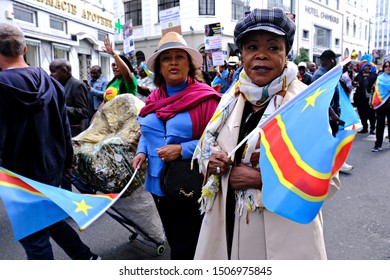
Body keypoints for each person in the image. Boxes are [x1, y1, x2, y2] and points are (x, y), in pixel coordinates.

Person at [193, 8, 340, 260]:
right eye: (251, 47)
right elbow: (206, 148)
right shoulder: (232, 97)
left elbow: (327, 180)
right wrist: (211, 160)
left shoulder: (304, 102)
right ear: (241, 55)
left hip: (283, 238)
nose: (261, 55)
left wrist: (263, 179)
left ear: (286, 54)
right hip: (228, 226)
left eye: (273, 47)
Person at [0, 23, 100, 260]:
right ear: (24, 48)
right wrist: (67, 162)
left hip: (18, 175)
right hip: (52, 167)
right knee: (50, 216)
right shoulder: (52, 82)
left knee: (34, 238)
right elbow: (64, 127)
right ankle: (86, 257)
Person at [131, 31, 221, 260]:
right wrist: (142, 151)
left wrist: (182, 150)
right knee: (174, 239)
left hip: (188, 183)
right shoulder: (153, 99)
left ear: (189, 64)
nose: (173, 62)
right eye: (166, 57)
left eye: (179, 56)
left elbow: (218, 141)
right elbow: (148, 130)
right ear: (159, 67)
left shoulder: (206, 98)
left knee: (188, 247)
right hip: (157, 184)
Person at [312, 50, 354, 172]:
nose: (335, 62)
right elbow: (319, 99)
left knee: (333, 137)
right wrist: (333, 114)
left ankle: (335, 163)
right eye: (334, 59)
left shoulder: (328, 73)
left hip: (332, 112)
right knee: (328, 139)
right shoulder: (320, 76)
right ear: (329, 60)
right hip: (326, 114)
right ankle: (331, 165)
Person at [49, 59, 89, 137]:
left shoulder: (78, 85)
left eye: (53, 71)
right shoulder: (56, 85)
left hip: (73, 132)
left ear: (64, 71)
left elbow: (84, 112)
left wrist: (61, 108)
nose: (50, 75)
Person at [102, 37, 138, 102]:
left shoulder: (129, 80)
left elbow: (126, 74)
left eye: (118, 65)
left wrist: (114, 54)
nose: (115, 67)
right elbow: (104, 102)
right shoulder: (112, 82)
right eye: (113, 65)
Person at [353, 55, 377, 135]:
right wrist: (355, 83)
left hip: (370, 99)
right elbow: (354, 83)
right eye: (366, 66)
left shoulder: (374, 75)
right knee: (362, 113)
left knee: (371, 114)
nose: (367, 68)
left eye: (368, 66)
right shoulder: (359, 75)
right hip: (360, 98)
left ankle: (372, 128)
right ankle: (365, 127)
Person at [371, 60, 390, 152]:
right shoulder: (380, 78)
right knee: (379, 125)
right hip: (381, 104)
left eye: (389, 66)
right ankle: (378, 145)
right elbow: (376, 89)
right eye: (386, 66)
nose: (387, 68)